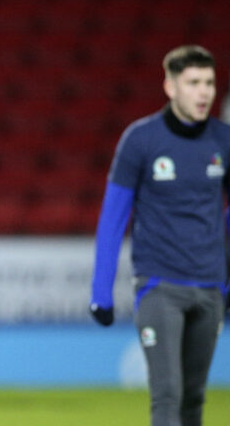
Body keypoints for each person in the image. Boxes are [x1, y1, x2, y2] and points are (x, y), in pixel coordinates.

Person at [90, 45, 228, 426]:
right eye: (194, 83)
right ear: (170, 86)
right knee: (168, 395)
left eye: (210, 83)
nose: (204, 92)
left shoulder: (224, 141)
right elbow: (112, 220)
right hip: (159, 285)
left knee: (195, 399)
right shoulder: (141, 140)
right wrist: (101, 291)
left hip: (210, 288)